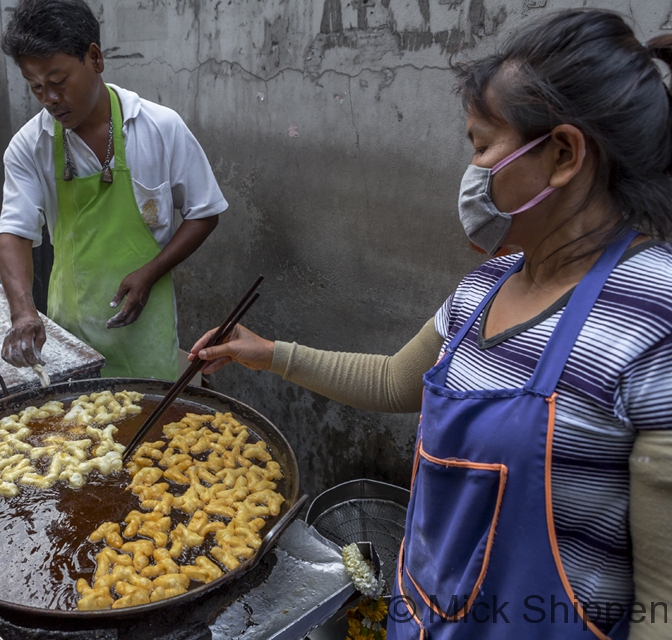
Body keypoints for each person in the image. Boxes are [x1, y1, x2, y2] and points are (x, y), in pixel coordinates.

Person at [191, 10, 672, 640]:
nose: (470, 171)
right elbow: (397, 381)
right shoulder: (487, 285)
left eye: (480, 145)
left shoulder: (653, 318)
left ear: (561, 153)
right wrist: (270, 353)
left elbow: (662, 601)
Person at [0, 0, 226, 380]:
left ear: (95, 58)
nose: (49, 99)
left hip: (146, 338)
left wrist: (151, 272)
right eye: (36, 87)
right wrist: (22, 312)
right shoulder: (29, 146)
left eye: (58, 82)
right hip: (72, 341)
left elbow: (205, 212)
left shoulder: (158, 128)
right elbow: (14, 234)